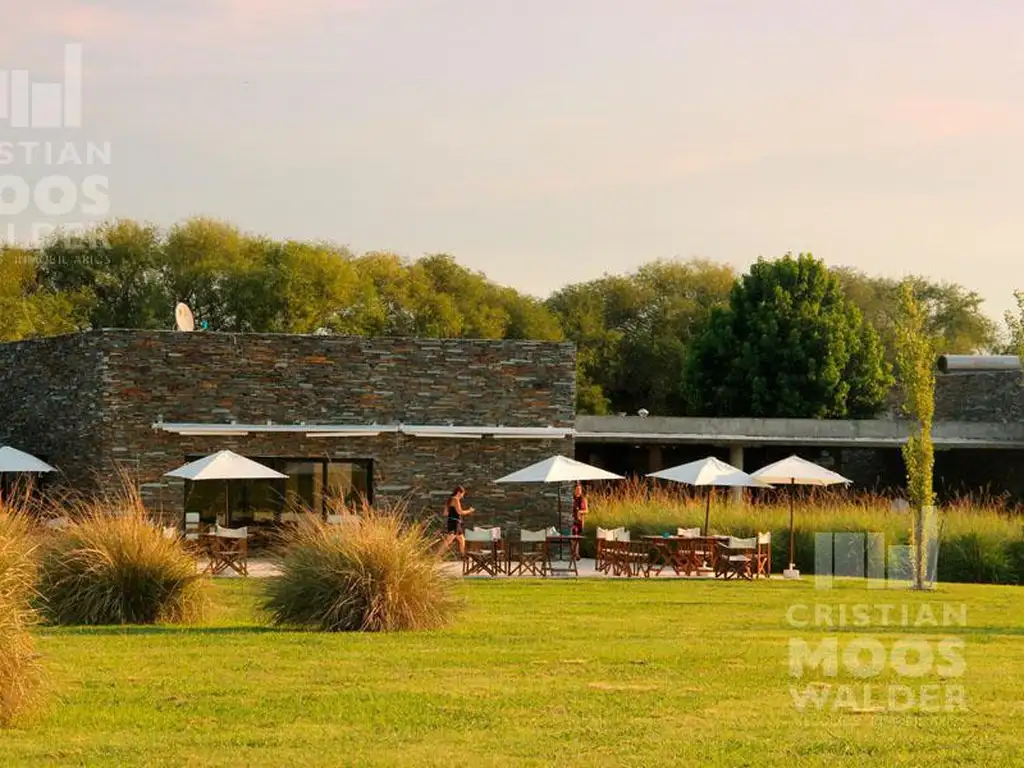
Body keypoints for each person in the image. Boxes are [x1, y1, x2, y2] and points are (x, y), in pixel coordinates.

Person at [443, 486, 474, 557]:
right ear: (459, 492)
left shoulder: (450, 500)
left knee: (462, 539)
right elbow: (460, 512)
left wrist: (452, 513)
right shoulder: (455, 499)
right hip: (455, 523)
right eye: (462, 494)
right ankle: (436, 556)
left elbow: (445, 513)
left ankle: (463, 556)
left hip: (453, 522)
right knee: (449, 540)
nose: (462, 496)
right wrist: (469, 511)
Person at [571, 482, 588, 558]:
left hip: (580, 520)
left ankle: (574, 552)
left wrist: (580, 511)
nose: (578, 491)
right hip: (572, 520)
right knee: (574, 535)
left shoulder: (583, 499)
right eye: (577, 489)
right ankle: (575, 553)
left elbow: (587, 510)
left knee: (577, 537)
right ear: (574, 490)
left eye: (580, 489)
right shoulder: (572, 499)